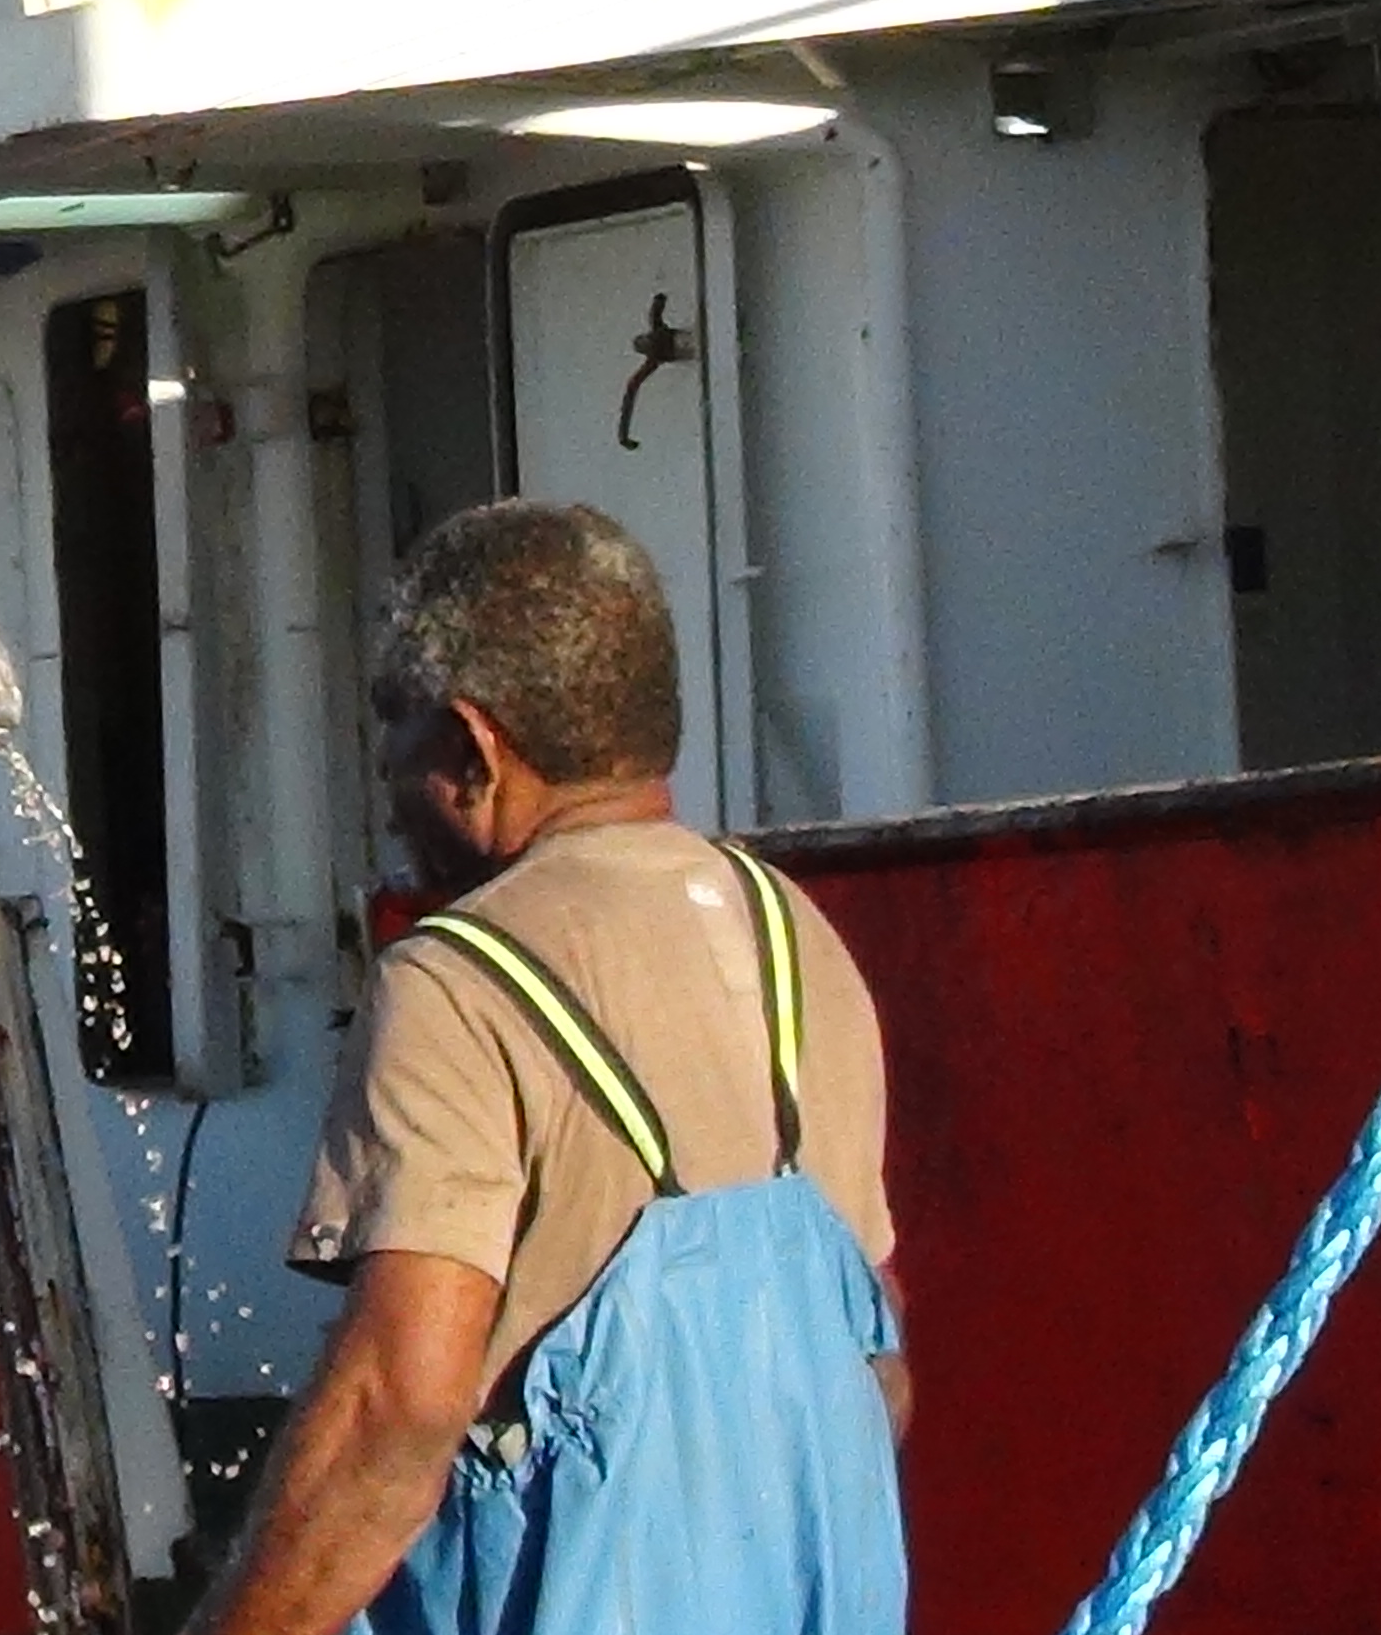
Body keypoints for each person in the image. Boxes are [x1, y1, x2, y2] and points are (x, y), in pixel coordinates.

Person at [190, 502, 905, 1635]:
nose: (387, 782)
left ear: (472, 749)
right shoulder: (796, 935)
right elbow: (876, 1369)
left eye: (398, 738)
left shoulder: (457, 981)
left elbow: (397, 1412)